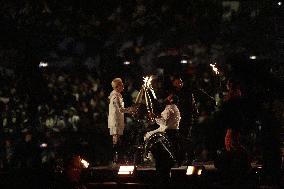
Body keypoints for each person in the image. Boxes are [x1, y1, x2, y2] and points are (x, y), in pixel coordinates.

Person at [147, 94, 181, 186]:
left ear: (171, 100)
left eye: (168, 97)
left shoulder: (169, 108)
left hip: (167, 130)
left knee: (147, 135)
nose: (166, 98)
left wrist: (154, 117)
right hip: (171, 130)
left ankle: (150, 157)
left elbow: (163, 121)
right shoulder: (175, 107)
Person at [108, 78, 136, 164]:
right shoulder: (115, 96)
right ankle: (116, 159)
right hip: (115, 121)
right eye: (121, 85)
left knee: (118, 139)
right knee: (116, 139)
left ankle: (118, 158)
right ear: (117, 86)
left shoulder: (117, 95)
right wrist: (131, 109)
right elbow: (121, 109)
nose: (123, 86)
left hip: (118, 119)